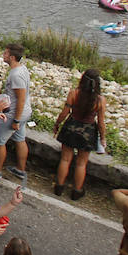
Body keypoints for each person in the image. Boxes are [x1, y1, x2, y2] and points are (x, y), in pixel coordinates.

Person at [52, 68, 106, 200]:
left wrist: (57, 124)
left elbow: (64, 113)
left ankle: (59, 187)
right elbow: (101, 122)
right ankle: (77, 191)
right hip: (88, 131)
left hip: (71, 127)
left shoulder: (74, 94)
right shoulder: (100, 100)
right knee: (81, 163)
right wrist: (103, 138)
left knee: (65, 159)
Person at [0, 43, 32, 180]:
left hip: (14, 113)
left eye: (6, 53)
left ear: (12, 57)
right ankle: (20, 169)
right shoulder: (22, 69)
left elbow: (20, 99)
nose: (3, 55)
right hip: (24, 112)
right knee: (20, 139)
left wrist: (15, 119)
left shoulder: (15, 75)